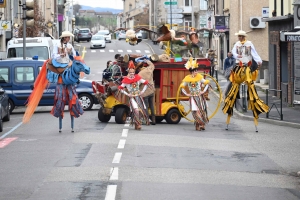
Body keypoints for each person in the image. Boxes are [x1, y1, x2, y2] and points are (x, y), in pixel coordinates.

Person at [223, 30, 268, 132]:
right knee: (233, 87)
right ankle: (230, 107)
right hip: (239, 69)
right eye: (238, 36)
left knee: (251, 88)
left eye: (240, 36)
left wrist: (259, 60)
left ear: (244, 37)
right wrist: (236, 55)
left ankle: (255, 109)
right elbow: (233, 51)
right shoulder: (237, 44)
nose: (239, 38)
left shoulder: (249, 44)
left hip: (246, 68)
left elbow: (254, 53)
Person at [118, 61, 152, 130]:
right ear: (128, 72)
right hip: (132, 98)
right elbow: (120, 88)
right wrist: (127, 94)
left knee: (140, 111)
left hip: (138, 96)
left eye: (133, 72)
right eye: (130, 72)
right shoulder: (126, 80)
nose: (132, 74)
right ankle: (138, 124)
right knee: (136, 110)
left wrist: (142, 91)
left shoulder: (137, 78)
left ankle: (137, 123)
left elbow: (146, 83)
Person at [180, 58, 210, 131]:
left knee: (202, 110)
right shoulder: (187, 78)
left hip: (200, 96)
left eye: (197, 70)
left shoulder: (200, 77)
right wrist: (187, 94)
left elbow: (207, 83)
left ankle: (202, 124)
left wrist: (203, 91)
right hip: (193, 97)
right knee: (195, 111)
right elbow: (182, 87)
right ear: (191, 71)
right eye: (195, 70)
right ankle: (198, 124)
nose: (196, 72)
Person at [138, 60, 156, 125]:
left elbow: (138, 84)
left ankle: (147, 120)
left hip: (145, 92)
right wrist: (147, 61)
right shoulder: (149, 70)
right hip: (151, 90)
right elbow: (152, 65)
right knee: (151, 105)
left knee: (145, 106)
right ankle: (153, 120)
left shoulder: (140, 74)